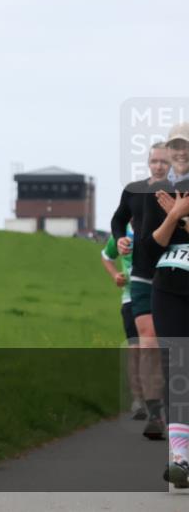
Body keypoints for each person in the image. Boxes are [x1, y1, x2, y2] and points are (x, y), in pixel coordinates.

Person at [111, 142, 171, 439]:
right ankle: (155, 412)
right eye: (155, 161)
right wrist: (120, 238)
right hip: (142, 274)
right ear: (148, 162)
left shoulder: (179, 192)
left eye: (164, 161)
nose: (159, 166)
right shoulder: (133, 191)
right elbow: (118, 219)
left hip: (174, 273)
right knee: (148, 343)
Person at [143, 123, 189, 488]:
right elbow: (153, 244)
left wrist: (181, 215)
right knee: (178, 367)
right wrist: (175, 215)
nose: (181, 153)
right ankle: (179, 459)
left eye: (186, 147)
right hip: (169, 285)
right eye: (176, 147)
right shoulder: (158, 193)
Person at [101, 224, 146, 419]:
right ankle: (138, 400)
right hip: (130, 297)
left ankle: (158, 397)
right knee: (135, 347)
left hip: (155, 294)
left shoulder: (155, 224)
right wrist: (115, 276)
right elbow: (106, 256)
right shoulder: (121, 234)